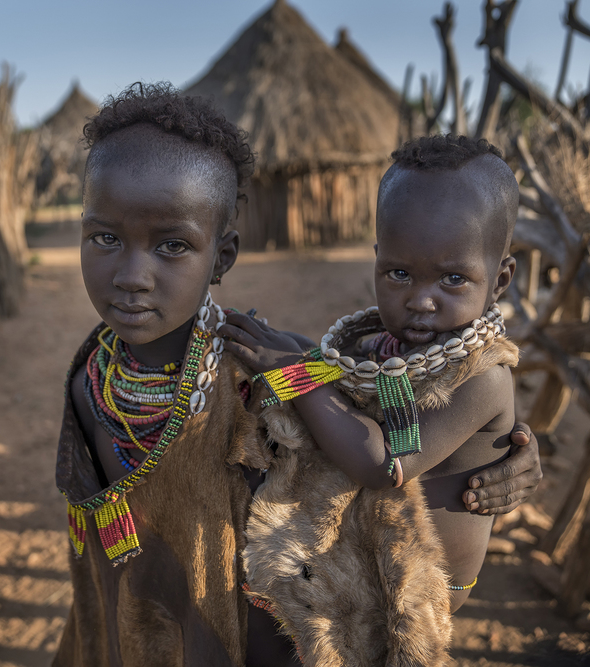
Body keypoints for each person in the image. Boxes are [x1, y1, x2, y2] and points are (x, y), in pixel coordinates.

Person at [53, 84, 539, 667]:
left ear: (222, 257)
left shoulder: (260, 387)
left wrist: (509, 446)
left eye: (172, 245)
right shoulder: (88, 381)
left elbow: (379, 449)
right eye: (106, 238)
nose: (132, 275)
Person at [223, 135, 528, 663]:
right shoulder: (383, 348)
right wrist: (287, 347)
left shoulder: (484, 378)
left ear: (499, 279)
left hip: (416, 592)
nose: (421, 299)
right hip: (362, 556)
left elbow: (383, 464)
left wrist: (296, 372)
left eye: (454, 279)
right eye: (399, 274)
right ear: (377, 262)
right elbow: (341, 377)